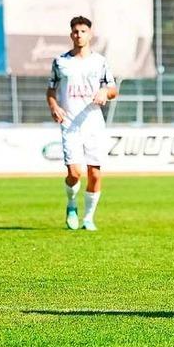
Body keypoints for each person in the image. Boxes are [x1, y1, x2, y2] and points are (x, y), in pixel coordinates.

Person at [46, 16, 118, 231]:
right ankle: (71, 204)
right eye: (76, 32)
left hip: (93, 122)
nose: (79, 35)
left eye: (83, 31)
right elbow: (51, 90)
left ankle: (88, 218)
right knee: (74, 172)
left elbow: (113, 90)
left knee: (95, 173)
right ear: (71, 35)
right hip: (69, 122)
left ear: (90, 34)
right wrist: (54, 106)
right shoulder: (60, 62)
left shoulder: (100, 62)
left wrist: (105, 91)